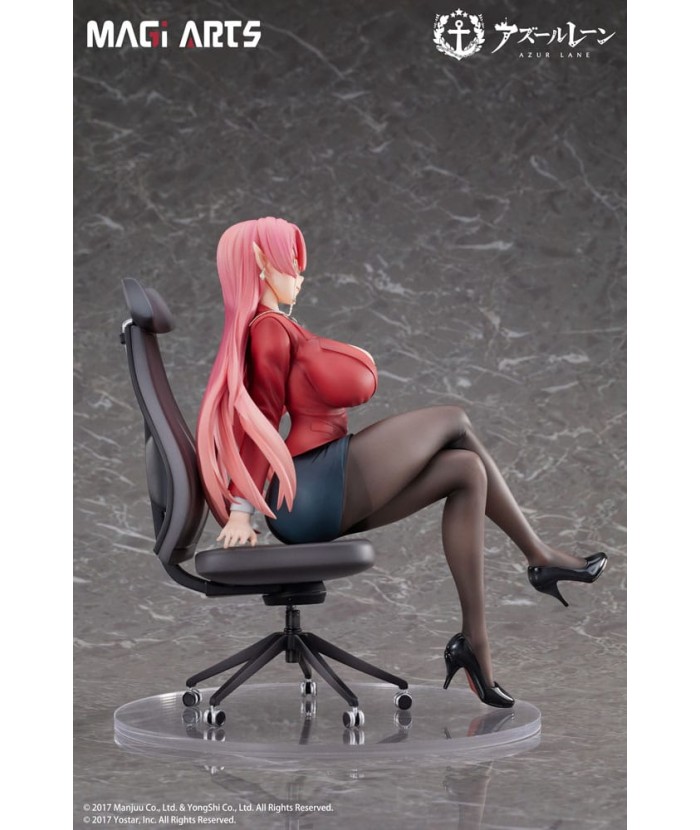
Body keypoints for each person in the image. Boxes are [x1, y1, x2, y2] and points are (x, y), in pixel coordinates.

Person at [196, 217, 607, 709]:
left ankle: (474, 644)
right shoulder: (266, 331)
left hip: (326, 486)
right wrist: (241, 509)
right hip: (311, 487)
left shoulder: (280, 327)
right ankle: (540, 558)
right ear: (262, 262)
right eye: (292, 265)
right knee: (454, 419)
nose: (301, 277)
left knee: (466, 472)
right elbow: (260, 416)